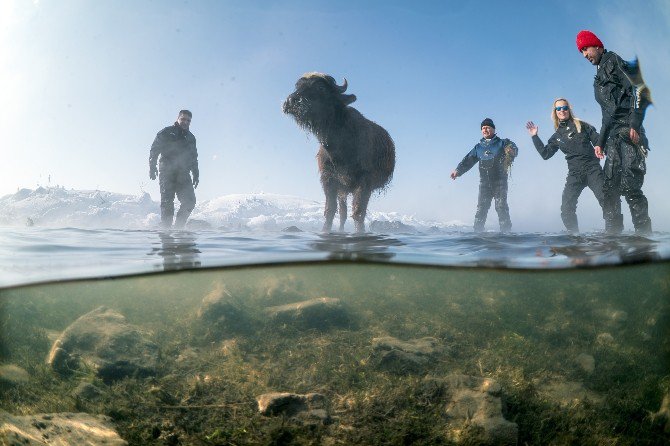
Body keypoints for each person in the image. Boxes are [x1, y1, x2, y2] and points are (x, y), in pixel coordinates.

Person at [577, 30, 652, 234]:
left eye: (586, 48)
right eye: (581, 51)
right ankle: (613, 239)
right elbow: (606, 115)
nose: (584, 54)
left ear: (598, 46)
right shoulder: (598, 80)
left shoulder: (614, 60)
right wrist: (600, 142)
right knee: (610, 191)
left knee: (630, 187)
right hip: (612, 139)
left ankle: (644, 240)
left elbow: (639, 88)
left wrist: (635, 125)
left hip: (629, 132)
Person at [526, 98, 605, 233]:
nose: (562, 111)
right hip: (574, 174)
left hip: (593, 169)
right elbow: (545, 154)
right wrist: (534, 136)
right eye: (559, 109)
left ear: (569, 109)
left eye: (564, 108)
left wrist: (600, 145)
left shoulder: (582, 125)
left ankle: (614, 235)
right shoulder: (556, 136)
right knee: (566, 209)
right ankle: (575, 238)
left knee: (606, 200)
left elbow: (598, 140)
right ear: (555, 112)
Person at [450, 118, 518, 232]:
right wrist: (457, 171)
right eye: (483, 128)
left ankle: (507, 234)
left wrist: (512, 151)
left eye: (487, 127)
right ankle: (477, 234)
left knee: (501, 207)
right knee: (481, 209)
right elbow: (468, 160)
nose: (485, 130)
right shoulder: (478, 147)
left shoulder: (503, 143)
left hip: (500, 182)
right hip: (484, 184)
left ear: (493, 129)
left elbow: (514, 149)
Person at [149, 109, 200, 229]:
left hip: (183, 173)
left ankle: (178, 228)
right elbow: (154, 149)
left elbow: (194, 157)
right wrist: (152, 166)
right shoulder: (166, 132)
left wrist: (196, 174)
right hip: (167, 171)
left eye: (188, 120)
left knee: (190, 201)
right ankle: (166, 231)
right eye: (183, 119)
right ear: (177, 118)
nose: (185, 122)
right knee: (167, 202)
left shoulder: (191, 138)